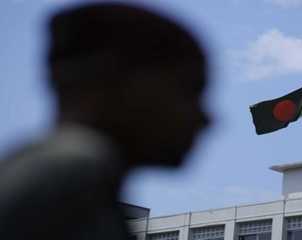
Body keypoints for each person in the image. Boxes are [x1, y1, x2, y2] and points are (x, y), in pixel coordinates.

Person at [0, 2, 209, 240]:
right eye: (188, 92)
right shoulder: (70, 180)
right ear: (108, 78)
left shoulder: (42, 174)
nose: (205, 118)